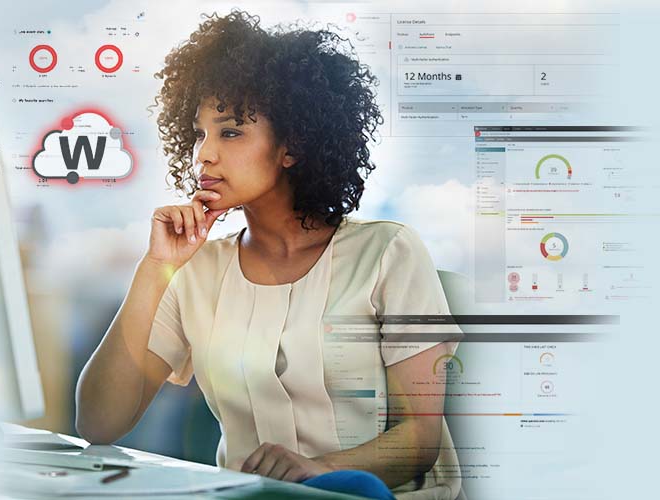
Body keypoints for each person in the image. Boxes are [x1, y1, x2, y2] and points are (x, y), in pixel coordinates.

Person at [76, 10, 462, 500]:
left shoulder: (387, 253)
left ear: (292, 146)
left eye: (229, 132)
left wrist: (317, 469)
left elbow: (420, 440)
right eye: (199, 133)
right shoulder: (194, 272)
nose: (203, 155)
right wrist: (154, 269)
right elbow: (99, 424)